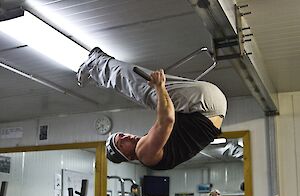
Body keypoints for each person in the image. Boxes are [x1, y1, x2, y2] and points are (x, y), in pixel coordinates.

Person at [77, 47, 227, 170]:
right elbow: (167, 119)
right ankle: (96, 63)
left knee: (147, 94)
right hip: (205, 107)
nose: (126, 137)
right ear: (128, 157)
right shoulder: (144, 154)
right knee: (144, 89)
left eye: (121, 134)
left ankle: (103, 68)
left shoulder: (151, 151)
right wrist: (159, 87)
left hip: (212, 107)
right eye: (121, 143)